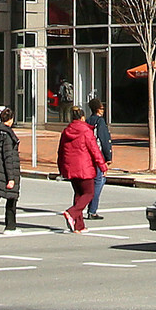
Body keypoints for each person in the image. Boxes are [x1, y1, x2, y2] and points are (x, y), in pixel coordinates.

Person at [57, 103, 107, 233]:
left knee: (79, 194)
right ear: (83, 117)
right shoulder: (86, 131)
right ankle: (71, 213)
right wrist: (102, 165)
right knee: (89, 193)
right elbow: (94, 149)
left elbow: (60, 151)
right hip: (84, 167)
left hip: (70, 167)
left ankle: (78, 225)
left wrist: (61, 167)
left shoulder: (66, 131)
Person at [84, 97, 113, 221]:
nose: (103, 110)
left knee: (93, 181)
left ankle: (86, 207)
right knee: (99, 181)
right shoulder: (100, 122)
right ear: (98, 109)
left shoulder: (88, 121)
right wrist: (108, 156)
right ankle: (92, 210)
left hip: (88, 155)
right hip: (98, 155)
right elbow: (104, 139)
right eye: (102, 108)